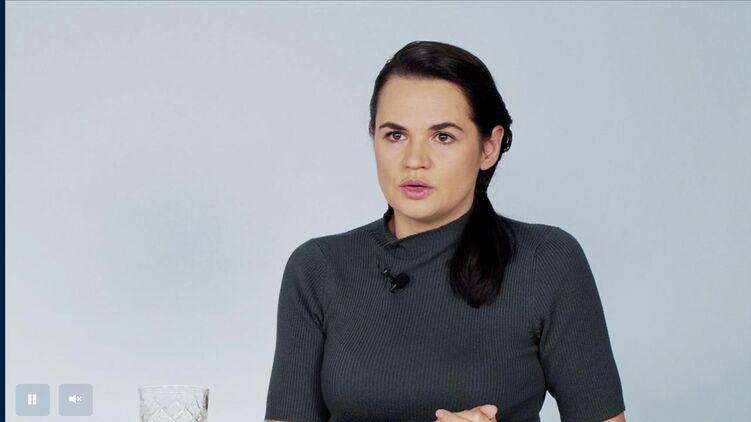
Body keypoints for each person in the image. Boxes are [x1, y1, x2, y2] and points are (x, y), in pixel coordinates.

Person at [264, 40, 626, 422]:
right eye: (395, 135)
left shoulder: (546, 261)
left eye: (443, 137)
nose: (414, 160)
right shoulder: (319, 268)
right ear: (373, 137)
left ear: (489, 147)